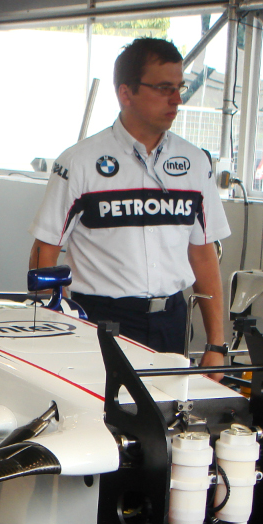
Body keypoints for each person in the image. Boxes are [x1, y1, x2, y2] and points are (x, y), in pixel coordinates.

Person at [29, 37, 230, 377]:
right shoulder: (79, 163)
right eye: (165, 88)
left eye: (179, 87)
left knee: (168, 422)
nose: (177, 99)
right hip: (101, 321)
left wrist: (216, 344)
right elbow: (43, 253)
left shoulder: (196, 163)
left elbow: (203, 254)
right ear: (126, 94)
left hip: (172, 321)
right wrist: (52, 330)